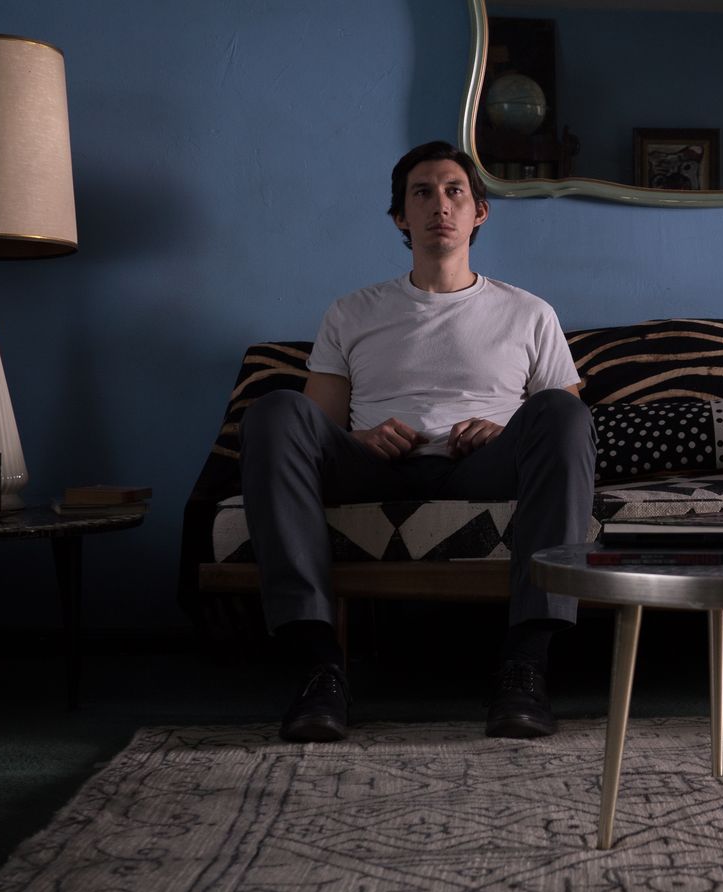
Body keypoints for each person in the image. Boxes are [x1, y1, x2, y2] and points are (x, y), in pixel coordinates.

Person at [240, 140, 594, 744]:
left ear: (479, 212)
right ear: (400, 217)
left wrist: (506, 430)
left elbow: (565, 424)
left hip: (483, 466)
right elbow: (317, 427)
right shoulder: (351, 311)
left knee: (563, 411)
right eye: (422, 193)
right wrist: (361, 437)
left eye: (455, 191)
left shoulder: (529, 312)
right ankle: (319, 668)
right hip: (377, 466)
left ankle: (525, 666)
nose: (440, 205)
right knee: (274, 410)